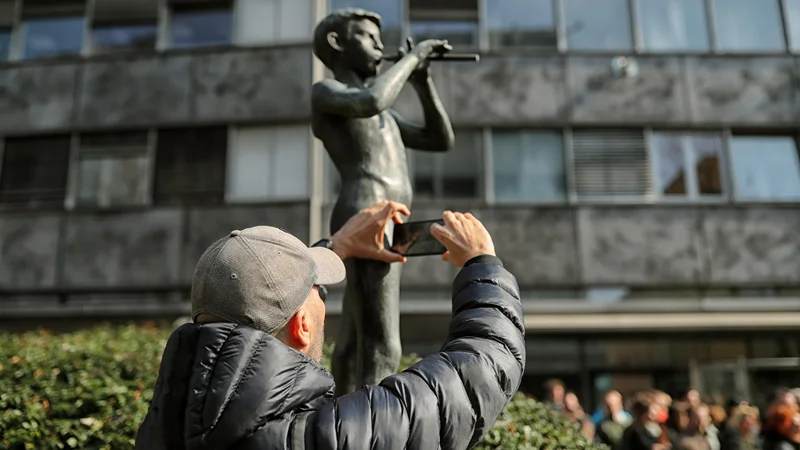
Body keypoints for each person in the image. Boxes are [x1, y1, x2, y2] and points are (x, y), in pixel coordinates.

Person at [135, 201, 526, 450]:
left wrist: (335, 245)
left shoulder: (158, 432)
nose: (322, 294)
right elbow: (483, 366)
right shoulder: (327, 438)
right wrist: (482, 262)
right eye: (317, 290)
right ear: (302, 326)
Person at [311, 7, 455, 395]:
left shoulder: (385, 113)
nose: (379, 45)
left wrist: (422, 81)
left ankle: (339, 414)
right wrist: (412, 58)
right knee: (384, 341)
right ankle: (371, 427)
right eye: (368, 37)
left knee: (357, 337)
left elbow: (440, 139)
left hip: (387, 219)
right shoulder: (328, 92)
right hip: (368, 215)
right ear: (338, 44)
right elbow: (370, 100)